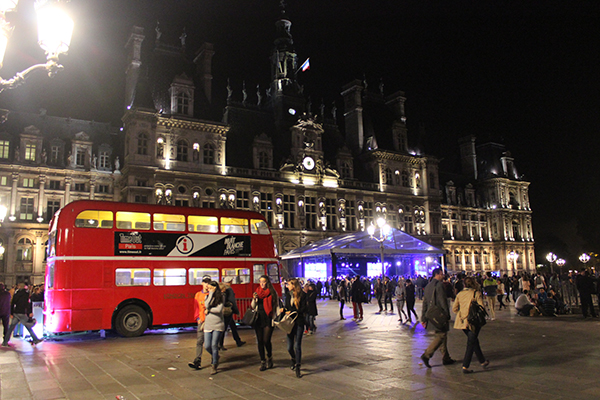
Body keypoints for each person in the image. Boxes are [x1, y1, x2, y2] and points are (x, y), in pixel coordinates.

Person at [452, 277, 490, 373]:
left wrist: (462, 314)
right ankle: (465, 365)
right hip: (473, 321)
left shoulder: (460, 294)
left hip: (463, 322)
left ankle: (482, 361)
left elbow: (454, 308)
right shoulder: (476, 293)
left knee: (473, 340)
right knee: (471, 342)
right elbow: (481, 307)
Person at [420, 268, 455, 368]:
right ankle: (427, 355)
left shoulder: (428, 286)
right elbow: (442, 301)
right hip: (439, 314)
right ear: (437, 274)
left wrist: (423, 318)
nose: (443, 275)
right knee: (441, 336)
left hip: (431, 315)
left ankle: (446, 357)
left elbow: (425, 303)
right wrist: (447, 314)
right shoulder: (439, 285)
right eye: (441, 274)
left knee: (441, 334)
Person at [252, 275, 278, 371]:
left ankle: (270, 357)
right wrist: (255, 299)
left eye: (264, 281)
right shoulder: (257, 292)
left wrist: (276, 317)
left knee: (266, 340)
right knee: (260, 341)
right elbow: (253, 306)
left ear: (267, 282)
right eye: (260, 281)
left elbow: (276, 305)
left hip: (268, 318)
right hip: (258, 318)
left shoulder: (272, 293)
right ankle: (263, 361)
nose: (262, 283)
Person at [3, 282, 43, 346]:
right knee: (28, 326)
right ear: (25, 287)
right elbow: (27, 304)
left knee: (11, 328)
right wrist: (29, 312)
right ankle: (35, 340)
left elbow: (13, 303)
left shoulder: (16, 294)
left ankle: (5, 342)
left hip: (16, 313)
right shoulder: (26, 294)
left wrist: (12, 312)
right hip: (22, 313)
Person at [283, 278, 307, 378]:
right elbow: (286, 307)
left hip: (299, 322)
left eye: (288, 284)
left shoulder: (302, 295)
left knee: (297, 345)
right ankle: (293, 359)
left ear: (293, 285)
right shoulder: (288, 295)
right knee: (289, 347)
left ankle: (298, 366)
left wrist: (293, 311)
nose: (287, 286)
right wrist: (284, 310)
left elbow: (303, 309)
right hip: (290, 323)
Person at [188, 277, 211, 370]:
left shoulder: (212, 294)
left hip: (210, 321)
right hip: (201, 321)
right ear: (202, 283)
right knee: (199, 341)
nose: (206, 284)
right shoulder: (198, 295)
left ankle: (215, 359)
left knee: (210, 344)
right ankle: (197, 360)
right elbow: (196, 307)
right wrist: (197, 317)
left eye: (208, 283)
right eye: (205, 282)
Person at [219, 278, 246, 350]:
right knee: (224, 328)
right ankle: (220, 344)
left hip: (223, 311)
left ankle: (238, 341)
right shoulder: (229, 289)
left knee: (233, 326)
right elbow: (232, 301)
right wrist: (237, 311)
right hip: (228, 311)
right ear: (230, 281)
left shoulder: (221, 288)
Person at [204, 281, 224, 375]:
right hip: (208, 324)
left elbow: (219, 310)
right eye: (209, 288)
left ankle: (214, 364)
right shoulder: (207, 296)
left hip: (218, 324)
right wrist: (211, 294)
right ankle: (215, 356)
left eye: (212, 288)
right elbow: (206, 305)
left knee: (214, 345)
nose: (210, 289)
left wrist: (209, 310)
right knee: (207, 346)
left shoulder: (221, 297)